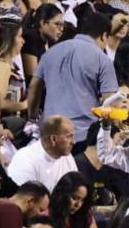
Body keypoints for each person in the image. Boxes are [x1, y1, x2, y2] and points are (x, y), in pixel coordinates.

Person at [28, 10, 118, 140]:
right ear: (104, 36)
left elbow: (34, 87)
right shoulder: (102, 59)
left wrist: (32, 116)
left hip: (50, 132)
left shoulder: (50, 52)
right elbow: (109, 103)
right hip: (82, 135)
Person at [6, 115, 78, 191]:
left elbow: (75, 188)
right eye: (69, 137)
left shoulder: (68, 157)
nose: (73, 142)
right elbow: (23, 197)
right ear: (53, 139)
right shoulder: (25, 159)